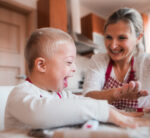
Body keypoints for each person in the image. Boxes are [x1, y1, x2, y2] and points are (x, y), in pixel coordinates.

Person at [4, 27, 150, 130]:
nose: (74, 68)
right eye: (69, 62)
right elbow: (38, 114)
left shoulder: (61, 94)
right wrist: (106, 113)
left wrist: (118, 112)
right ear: (42, 65)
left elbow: (85, 102)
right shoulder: (20, 94)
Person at [83, 7, 150, 111]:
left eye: (122, 38)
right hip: (106, 123)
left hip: (139, 124)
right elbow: (87, 96)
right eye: (109, 37)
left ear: (138, 38)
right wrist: (116, 94)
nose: (113, 46)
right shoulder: (99, 60)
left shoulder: (147, 62)